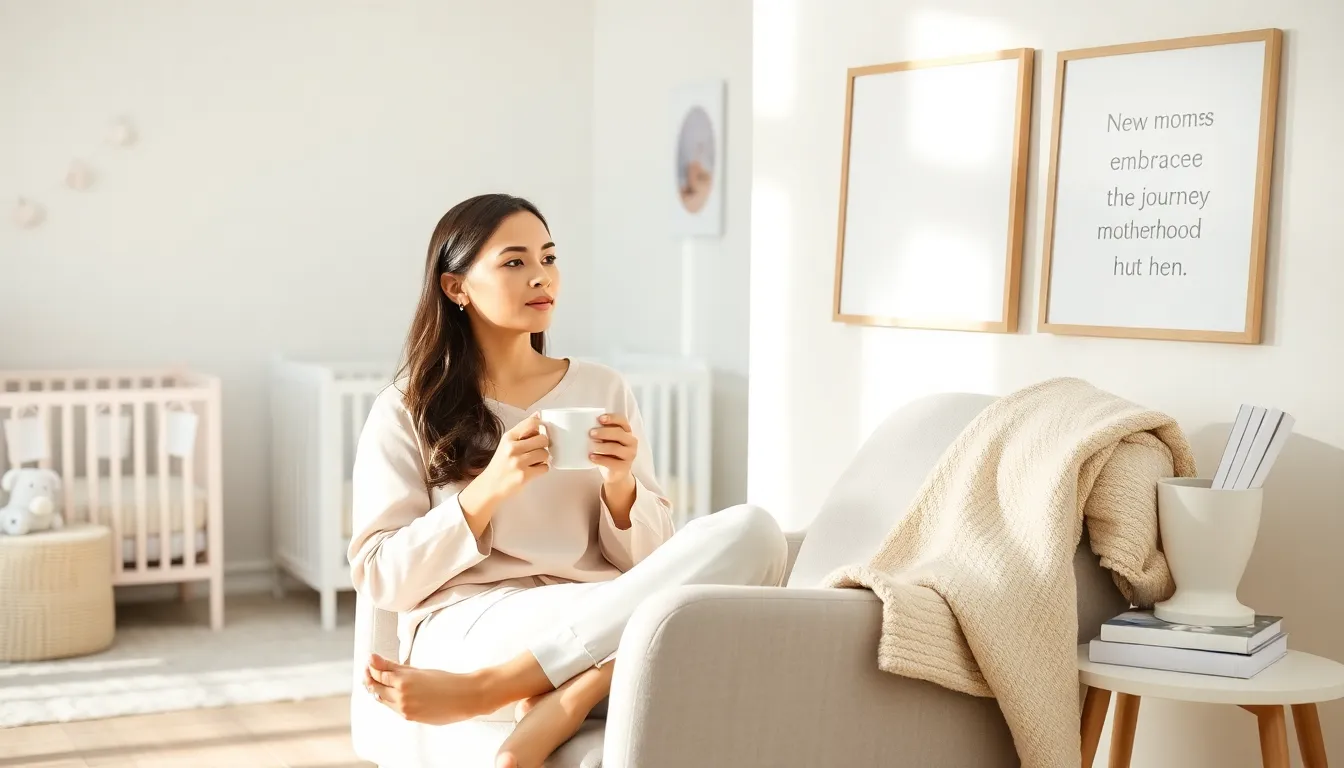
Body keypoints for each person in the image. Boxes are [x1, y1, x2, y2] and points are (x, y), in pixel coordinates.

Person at [348, 193, 788, 768]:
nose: (540, 277)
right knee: (674, 627)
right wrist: (488, 490)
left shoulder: (604, 389)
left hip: (596, 605)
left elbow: (652, 564)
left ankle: (548, 692)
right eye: (514, 262)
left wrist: (620, 485)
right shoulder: (407, 409)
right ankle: (568, 676)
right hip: (475, 623)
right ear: (457, 288)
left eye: (549, 258)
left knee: (756, 532)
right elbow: (381, 577)